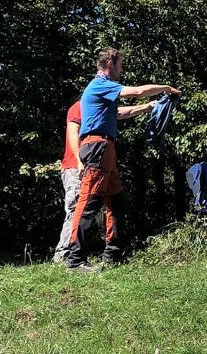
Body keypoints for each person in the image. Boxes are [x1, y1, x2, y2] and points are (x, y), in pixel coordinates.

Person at [65, 48, 179, 271]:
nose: (122, 69)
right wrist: (165, 88)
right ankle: (75, 259)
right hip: (97, 146)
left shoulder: (103, 93)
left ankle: (112, 253)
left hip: (106, 148)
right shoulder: (99, 84)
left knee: (114, 201)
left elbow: (119, 113)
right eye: (120, 65)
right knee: (89, 202)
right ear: (109, 64)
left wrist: (147, 107)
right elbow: (136, 91)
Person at [53, 96, 153, 262]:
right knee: (78, 207)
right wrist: (79, 161)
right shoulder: (79, 107)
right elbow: (72, 132)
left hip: (93, 162)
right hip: (77, 166)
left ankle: (108, 253)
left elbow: (121, 112)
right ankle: (64, 255)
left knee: (107, 205)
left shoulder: (100, 111)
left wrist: (147, 106)